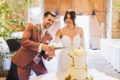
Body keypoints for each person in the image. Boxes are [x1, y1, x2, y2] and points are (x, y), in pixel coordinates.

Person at [8, 11, 56, 80]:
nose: (50, 23)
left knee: (46, 77)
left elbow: (43, 54)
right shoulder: (31, 26)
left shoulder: (49, 36)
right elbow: (24, 41)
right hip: (24, 60)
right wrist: (41, 45)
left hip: (37, 62)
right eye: (49, 20)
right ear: (43, 18)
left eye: (52, 21)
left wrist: (49, 56)